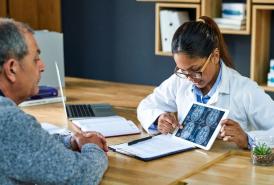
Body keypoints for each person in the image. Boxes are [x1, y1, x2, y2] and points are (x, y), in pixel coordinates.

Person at [137, 16, 274, 149]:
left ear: (214, 56)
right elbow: (145, 106)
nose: (189, 78)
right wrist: (158, 118)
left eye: (195, 69)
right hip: (187, 164)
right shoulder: (180, 80)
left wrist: (247, 138)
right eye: (182, 70)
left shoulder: (245, 90)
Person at [0, 18, 108, 184]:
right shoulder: (8, 121)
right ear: (11, 69)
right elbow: (80, 177)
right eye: (35, 59)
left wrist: (70, 141)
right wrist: (92, 146)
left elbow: (28, 143)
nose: (42, 66)